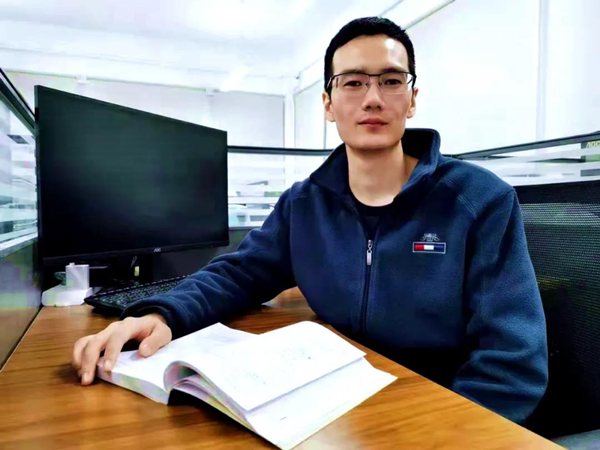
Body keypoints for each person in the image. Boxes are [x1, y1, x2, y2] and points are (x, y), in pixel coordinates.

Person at [72, 17, 548, 425]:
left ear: (412, 98)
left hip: (435, 409)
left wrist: (449, 433)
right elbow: (238, 274)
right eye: (353, 82)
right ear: (328, 104)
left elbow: (512, 364)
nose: (373, 98)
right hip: (334, 402)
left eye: (391, 81)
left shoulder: (479, 201)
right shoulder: (304, 204)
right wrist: (160, 314)